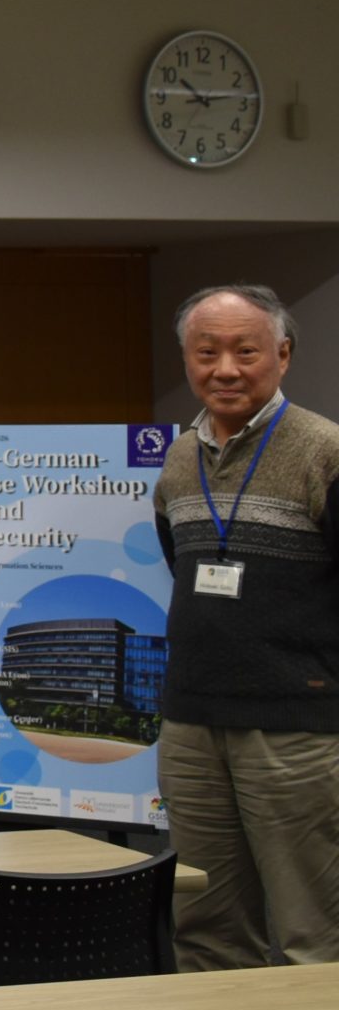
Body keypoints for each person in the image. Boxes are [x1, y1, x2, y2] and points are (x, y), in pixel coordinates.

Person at [153, 285, 339, 969]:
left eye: (246, 350)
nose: (224, 368)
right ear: (187, 359)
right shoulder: (177, 459)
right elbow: (183, 566)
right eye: (206, 352)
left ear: (283, 356)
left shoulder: (325, 451)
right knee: (204, 920)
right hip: (193, 723)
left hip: (296, 726)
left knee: (309, 928)